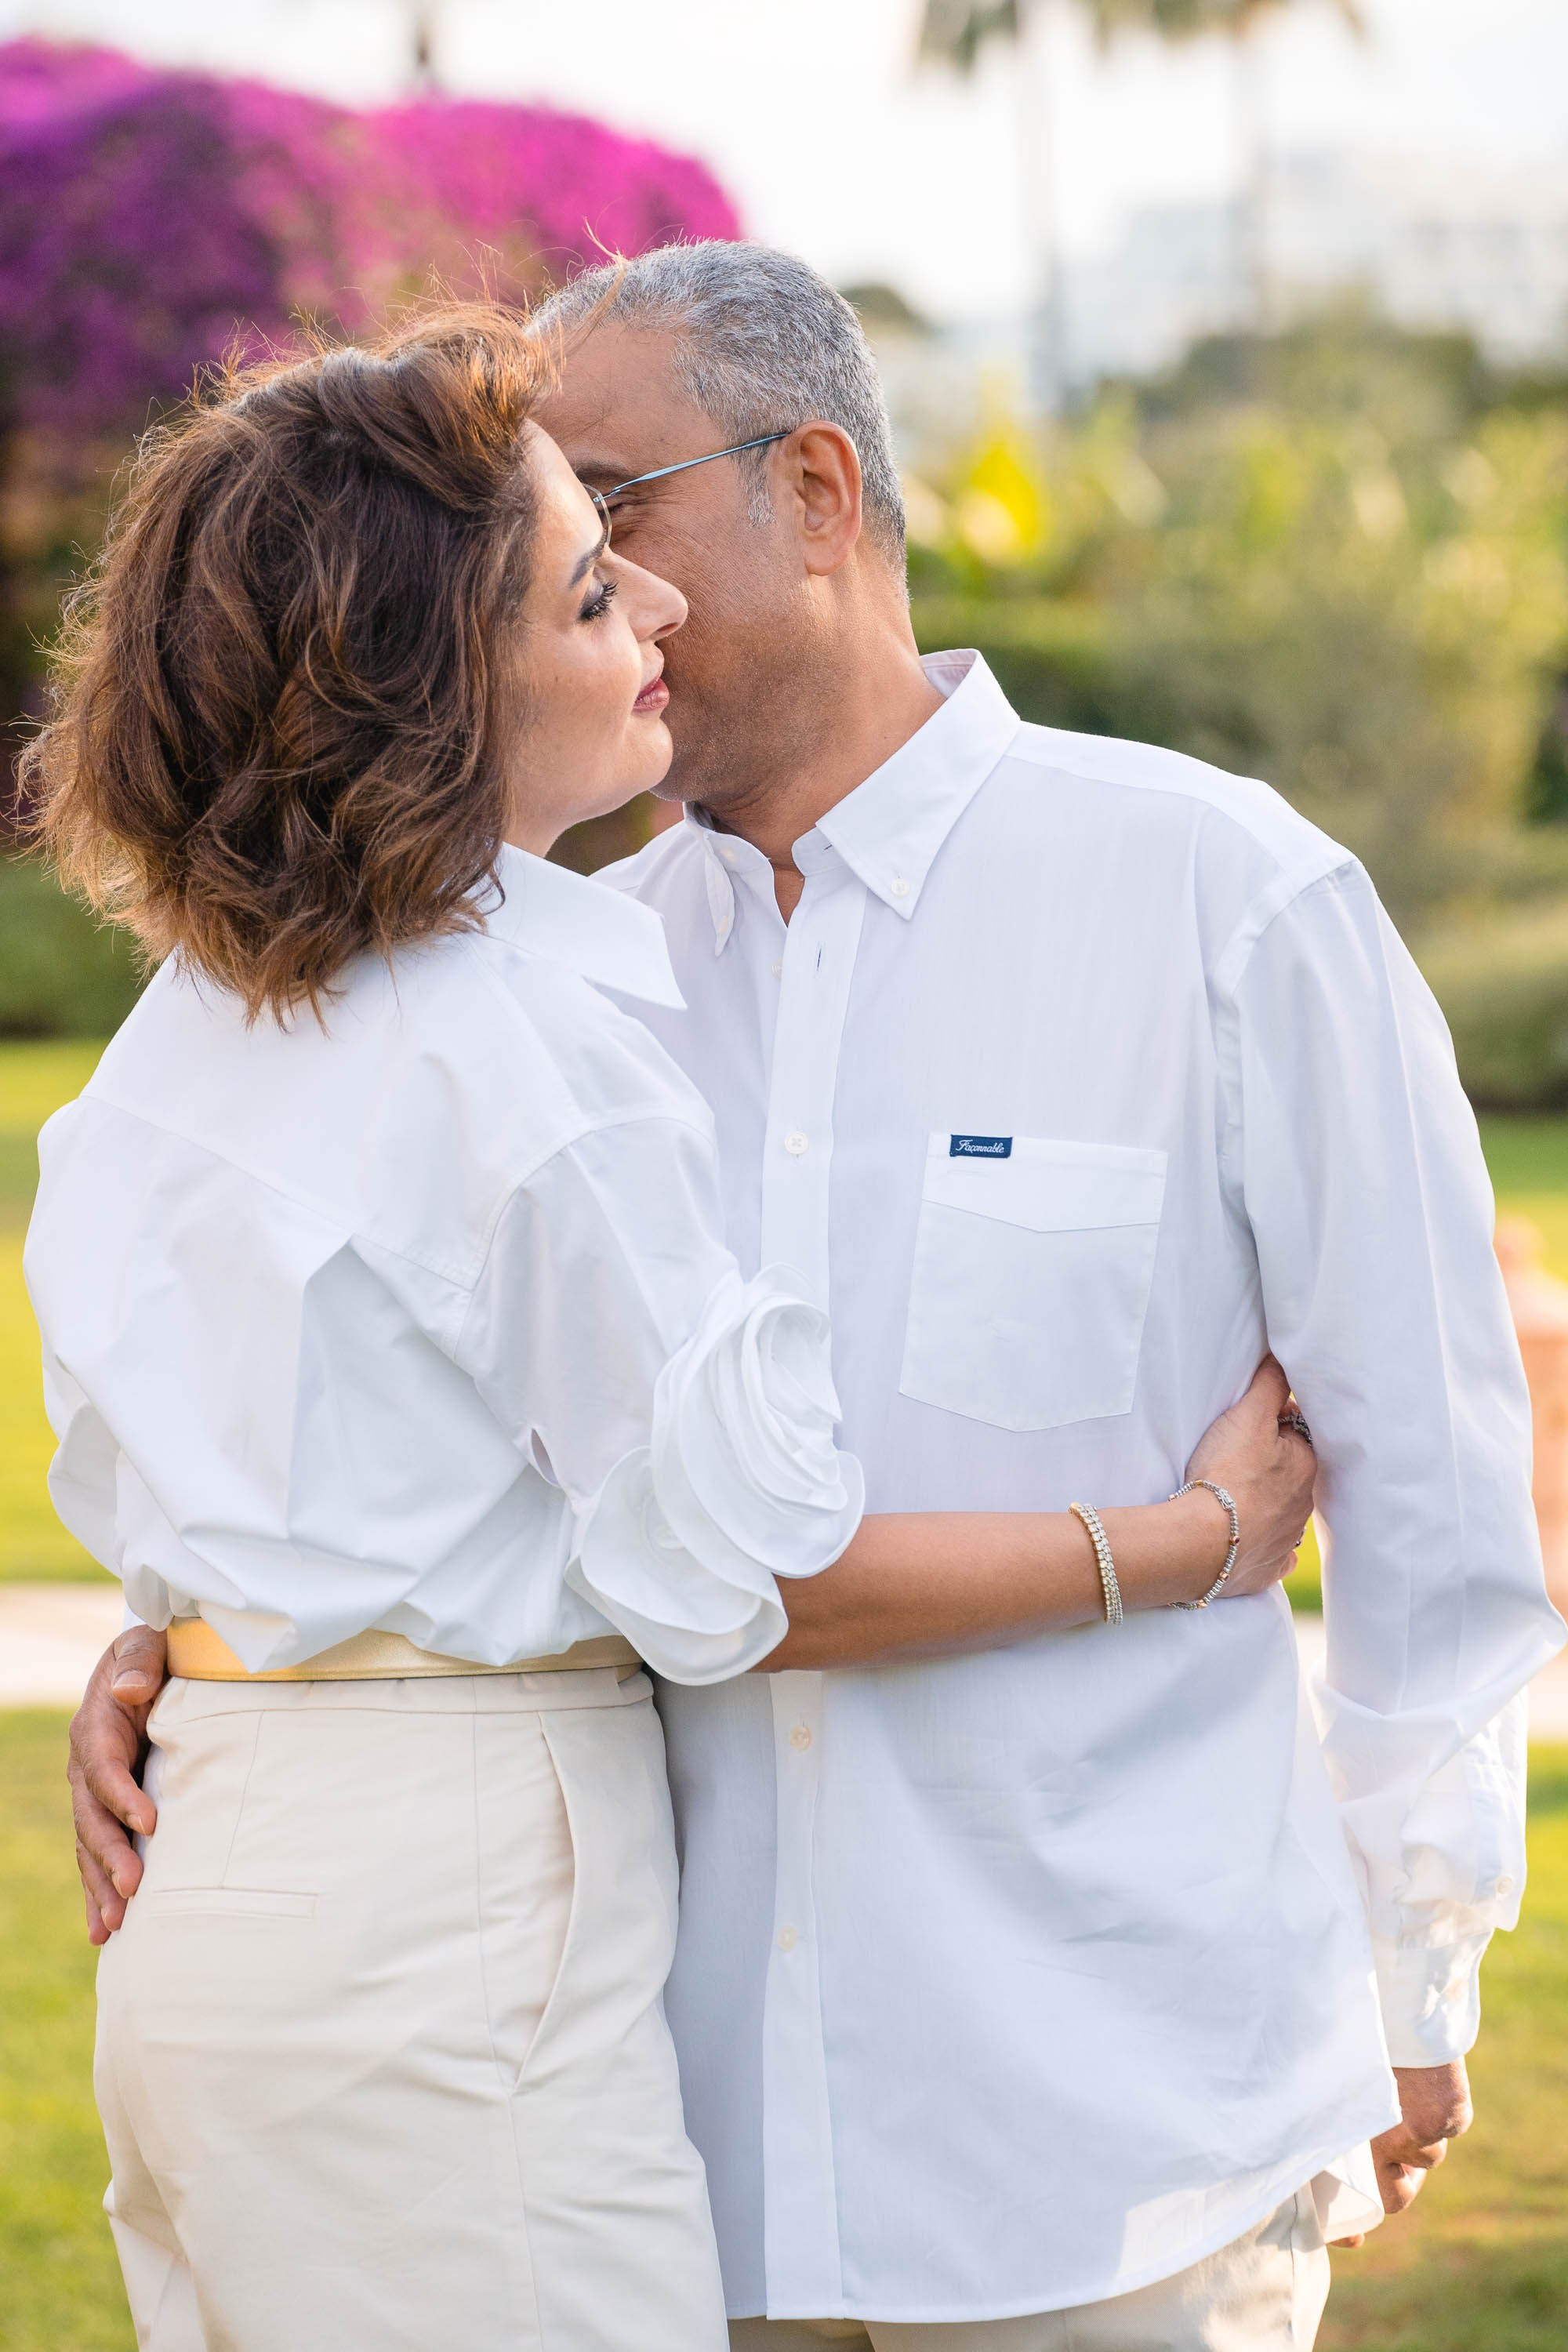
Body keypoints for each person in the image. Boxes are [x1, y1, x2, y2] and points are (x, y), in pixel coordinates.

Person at [66, 249, 1564, 2348]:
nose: (624, 593)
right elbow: (471, 1447)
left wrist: (1420, 1958)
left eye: (620, 504)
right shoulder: (546, 987)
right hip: (664, 2137)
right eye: (574, 551)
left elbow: (1426, 1481)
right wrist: (213, 1657)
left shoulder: (1224, 899)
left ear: (823, 493)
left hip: (1110, 2140)